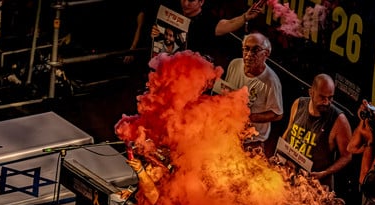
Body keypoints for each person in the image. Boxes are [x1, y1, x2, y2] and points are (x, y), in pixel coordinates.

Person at [277, 73, 353, 192]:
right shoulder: (299, 104)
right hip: (289, 178)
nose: (327, 102)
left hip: (315, 186)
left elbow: (347, 155)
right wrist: (279, 155)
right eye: (322, 97)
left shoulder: (339, 120)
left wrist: (326, 172)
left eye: (330, 98)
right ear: (311, 92)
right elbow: (289, 130)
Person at [138, 0, 267, 67]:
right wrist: (157, 34)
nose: (186, 3)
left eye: (191, 0)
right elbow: (162, 40)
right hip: (164, 69)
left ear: (201, 2)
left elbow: (229, 24)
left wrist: (245, 17)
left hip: (190, 77)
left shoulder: (207, 21)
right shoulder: (173, 12)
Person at [223, 32, 284, 154]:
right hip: (227, 135)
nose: (249, 54)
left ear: (266, 54)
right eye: (246, 49)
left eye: (255, 50)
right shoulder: (234, 65)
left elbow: (277, 114)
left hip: (251, 143)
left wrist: (249, 117)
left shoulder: (271, 81)